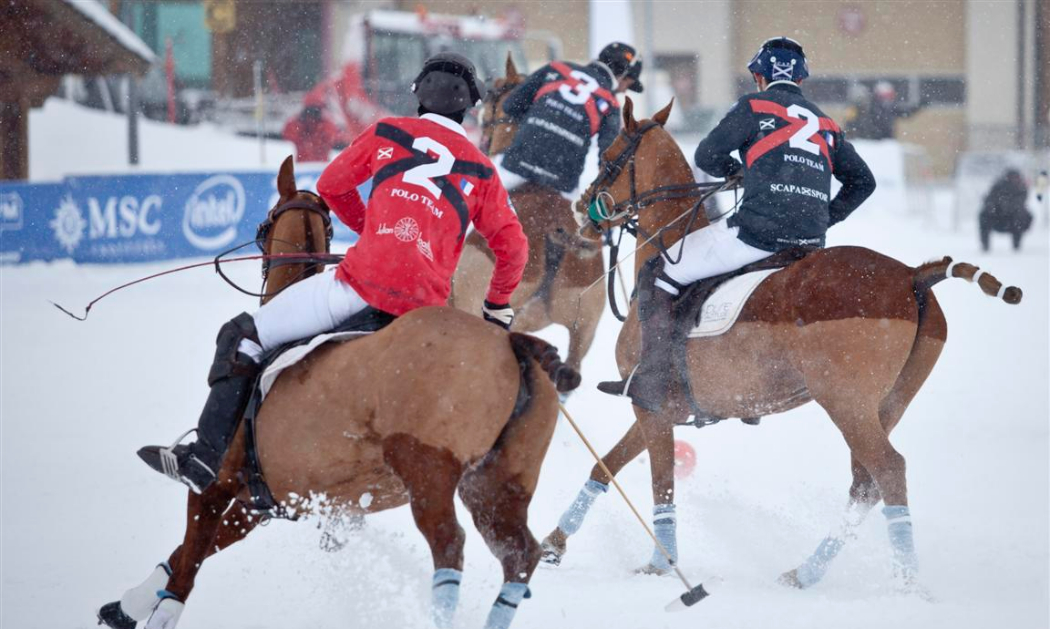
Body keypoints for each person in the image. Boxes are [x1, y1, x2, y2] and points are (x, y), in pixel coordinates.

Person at [139, 53, 529, 493]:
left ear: (418, 95)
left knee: (242, 335)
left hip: (358, 289)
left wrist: (374, 232)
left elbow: (330, 186)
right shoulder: (481, 169)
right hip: (424, 314)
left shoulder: (388, 133)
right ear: (469, 106)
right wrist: (497, 307)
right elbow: (514, 247)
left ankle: (204, 461)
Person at [598, 36, 877, 412]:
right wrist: (828, 214)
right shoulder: (825, 122)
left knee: (660, 270)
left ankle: (653, 377)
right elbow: (864, 182)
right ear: (801, 79)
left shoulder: (753, 105)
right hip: (810, 242)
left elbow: (707, 155)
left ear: (759, 76)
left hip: (756, 234)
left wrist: (740, 172)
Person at [493, 42, 644, 201]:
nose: (625, 90)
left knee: (477, 204)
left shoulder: (555, 68)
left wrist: (538, 122)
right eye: (628, 84)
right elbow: (609, 155)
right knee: (587, 224)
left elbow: (510, 106)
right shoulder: (611, 104)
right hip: (563, 180)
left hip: (518, 163)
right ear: (622, 76)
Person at [847, 80, 923, 141]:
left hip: (887, 141)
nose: (887, 99)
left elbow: (905, 112)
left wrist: (918, 106)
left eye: (889, 96)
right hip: (870, 142)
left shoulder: (891, 108)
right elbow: (852, 123)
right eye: (885, 96)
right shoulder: (867, 107)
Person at [978, 168, 1032, 251]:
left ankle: (1016, 246)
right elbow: (989, 200)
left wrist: (1007, 206)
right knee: (984, 215)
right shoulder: (998, 187)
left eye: (1016, 177)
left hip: (1014, 220)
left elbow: (1019, 204)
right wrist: (993, 207)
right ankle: (985, 246)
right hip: (997, 218)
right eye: (1012, 177)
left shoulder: (1021, 188)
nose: (1014, 180)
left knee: (1020, 215)